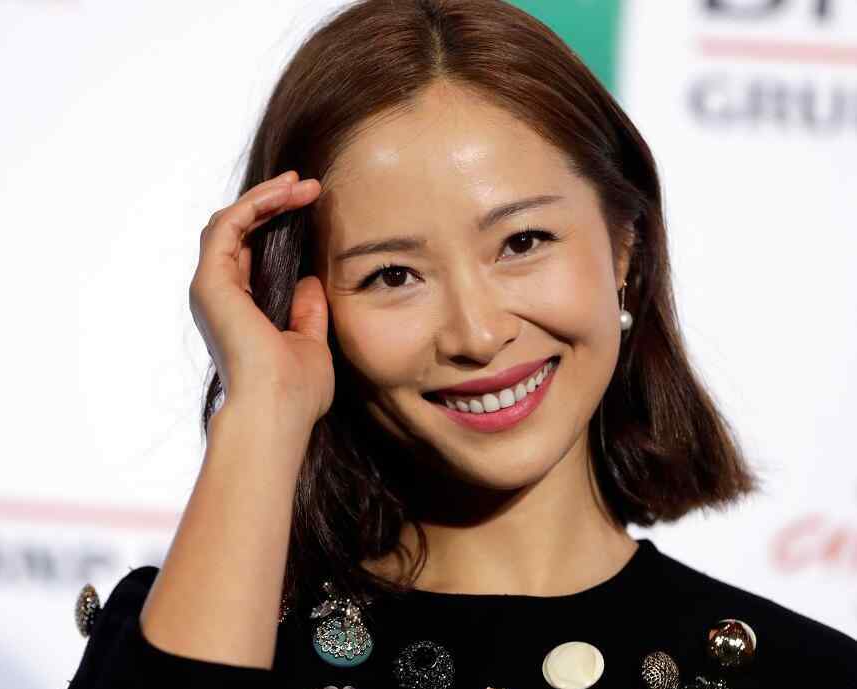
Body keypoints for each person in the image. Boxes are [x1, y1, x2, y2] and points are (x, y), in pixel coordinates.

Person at [66, 1, 857, 688]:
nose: (477, 334)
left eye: (523, 241)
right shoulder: (196, 637)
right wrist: (265, 405)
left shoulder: (806, 674)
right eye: (393, 275)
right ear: (309, 302)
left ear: (626, 245)